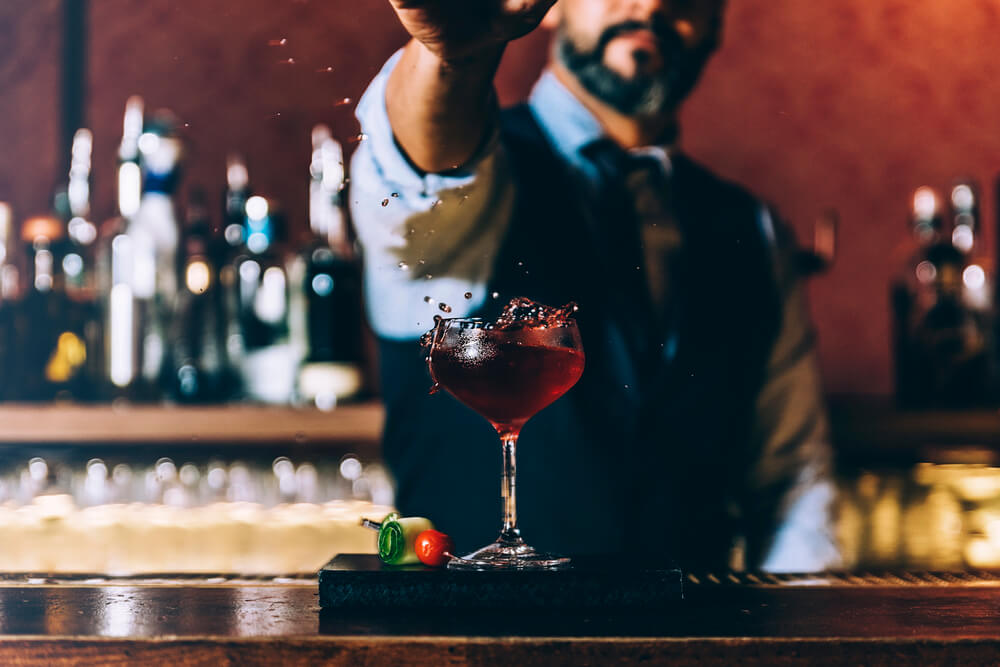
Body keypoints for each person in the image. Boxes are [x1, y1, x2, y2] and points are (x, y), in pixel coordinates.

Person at [350, 0, 841, 571]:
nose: (653, 3)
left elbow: (792, 486)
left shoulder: (753, 230)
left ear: (716, 25)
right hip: (471, 647)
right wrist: (452, 59)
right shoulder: (474, 170)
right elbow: (420, 181)